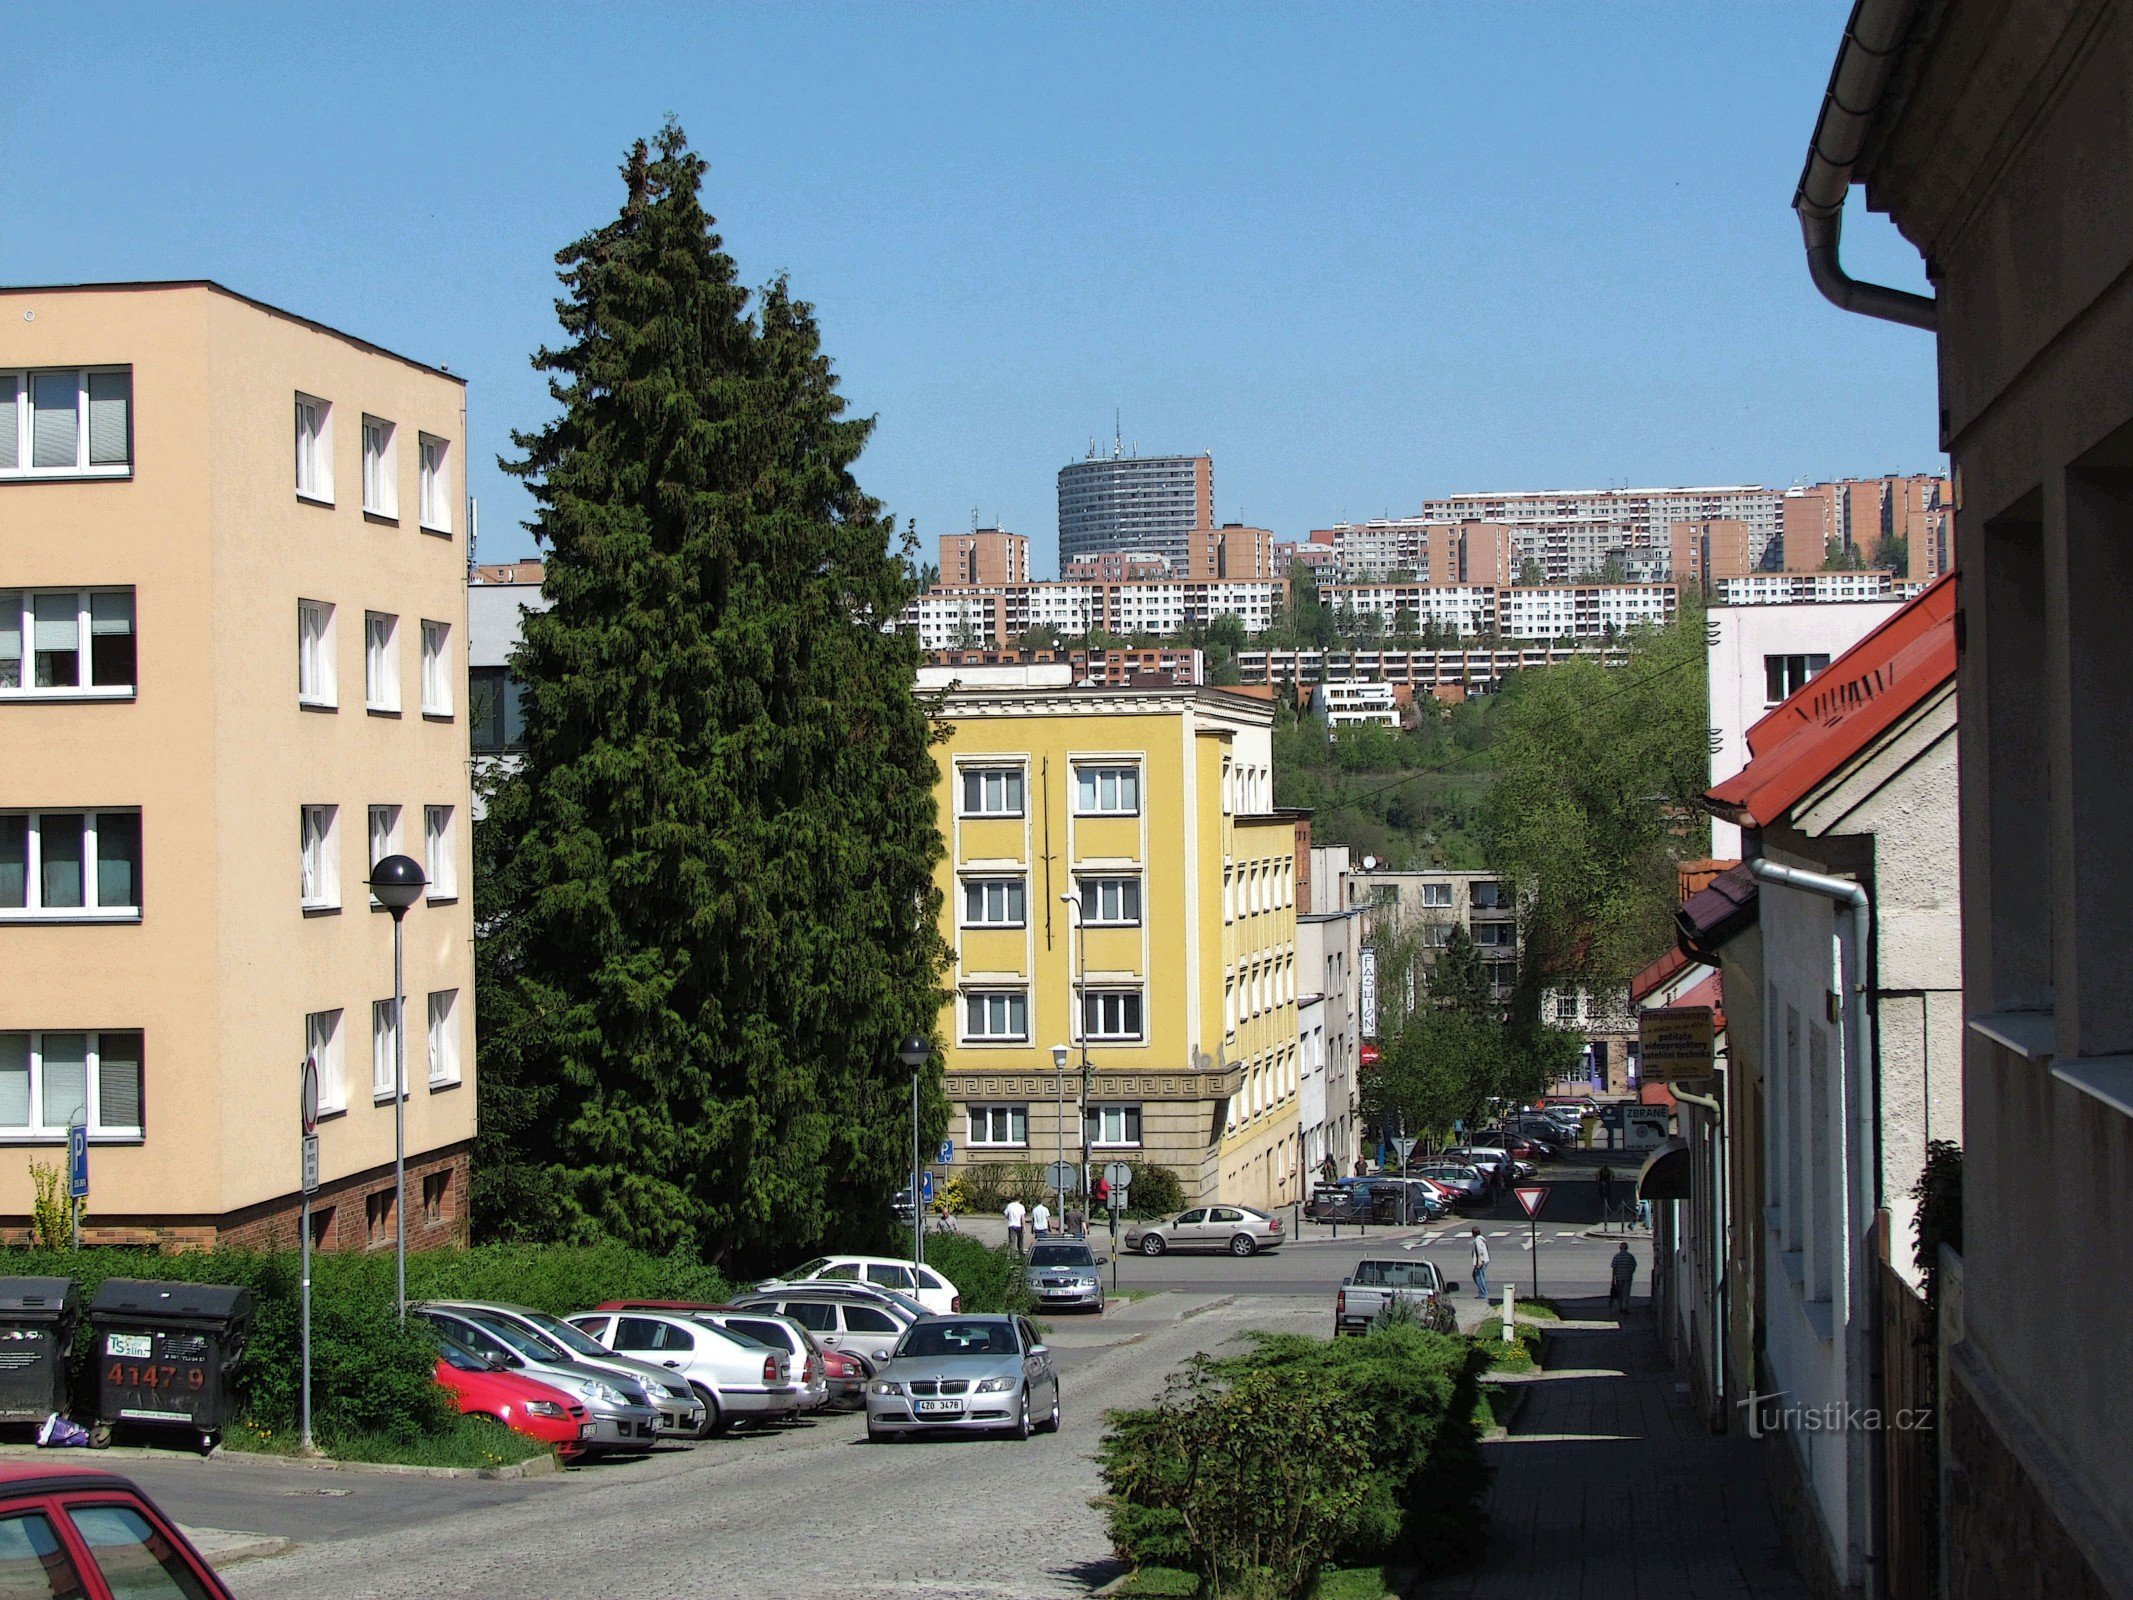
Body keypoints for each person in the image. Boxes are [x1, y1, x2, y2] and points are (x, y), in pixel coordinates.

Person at [1610, 1241, 1638, 1313]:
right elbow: (1634, 1265)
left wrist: (1613, 1278)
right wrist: (1631, 1272)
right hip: (1628, 1277)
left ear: (1620, 1248)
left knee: (1620, 1293)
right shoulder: (1630, 1256)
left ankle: (1620, 1307)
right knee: (1626, 1292)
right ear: (1627, 1248)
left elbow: (1614, 1268)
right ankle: (1625, 1307)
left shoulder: (1616, 1256)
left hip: (1619, 1277)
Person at [1470, 1228, 1491, 1301]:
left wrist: (1480, 1261)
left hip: (1481, 1261)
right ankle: (1482, 1292)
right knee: (1477, 1276)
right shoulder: (1481, 1239)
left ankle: (1483, 1293)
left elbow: (1480, 1251)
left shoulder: (1478, 1240)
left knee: (1479, 1277)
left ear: (1473, 1233)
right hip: (1484, 1260)